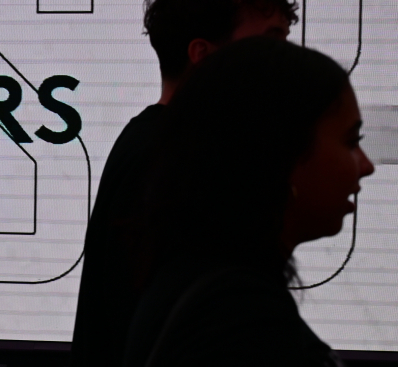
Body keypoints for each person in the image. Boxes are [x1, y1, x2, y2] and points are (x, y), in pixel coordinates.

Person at [70, 0, 299, 367]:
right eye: (270, 42)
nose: (288, 62)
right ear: (203, 56)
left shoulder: (159, 145)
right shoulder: (171, 160)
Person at [120, 37, 374, 366]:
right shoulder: (240, 318)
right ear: (281, 152)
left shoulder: (196, 280)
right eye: (351, 141)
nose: (366, 165)